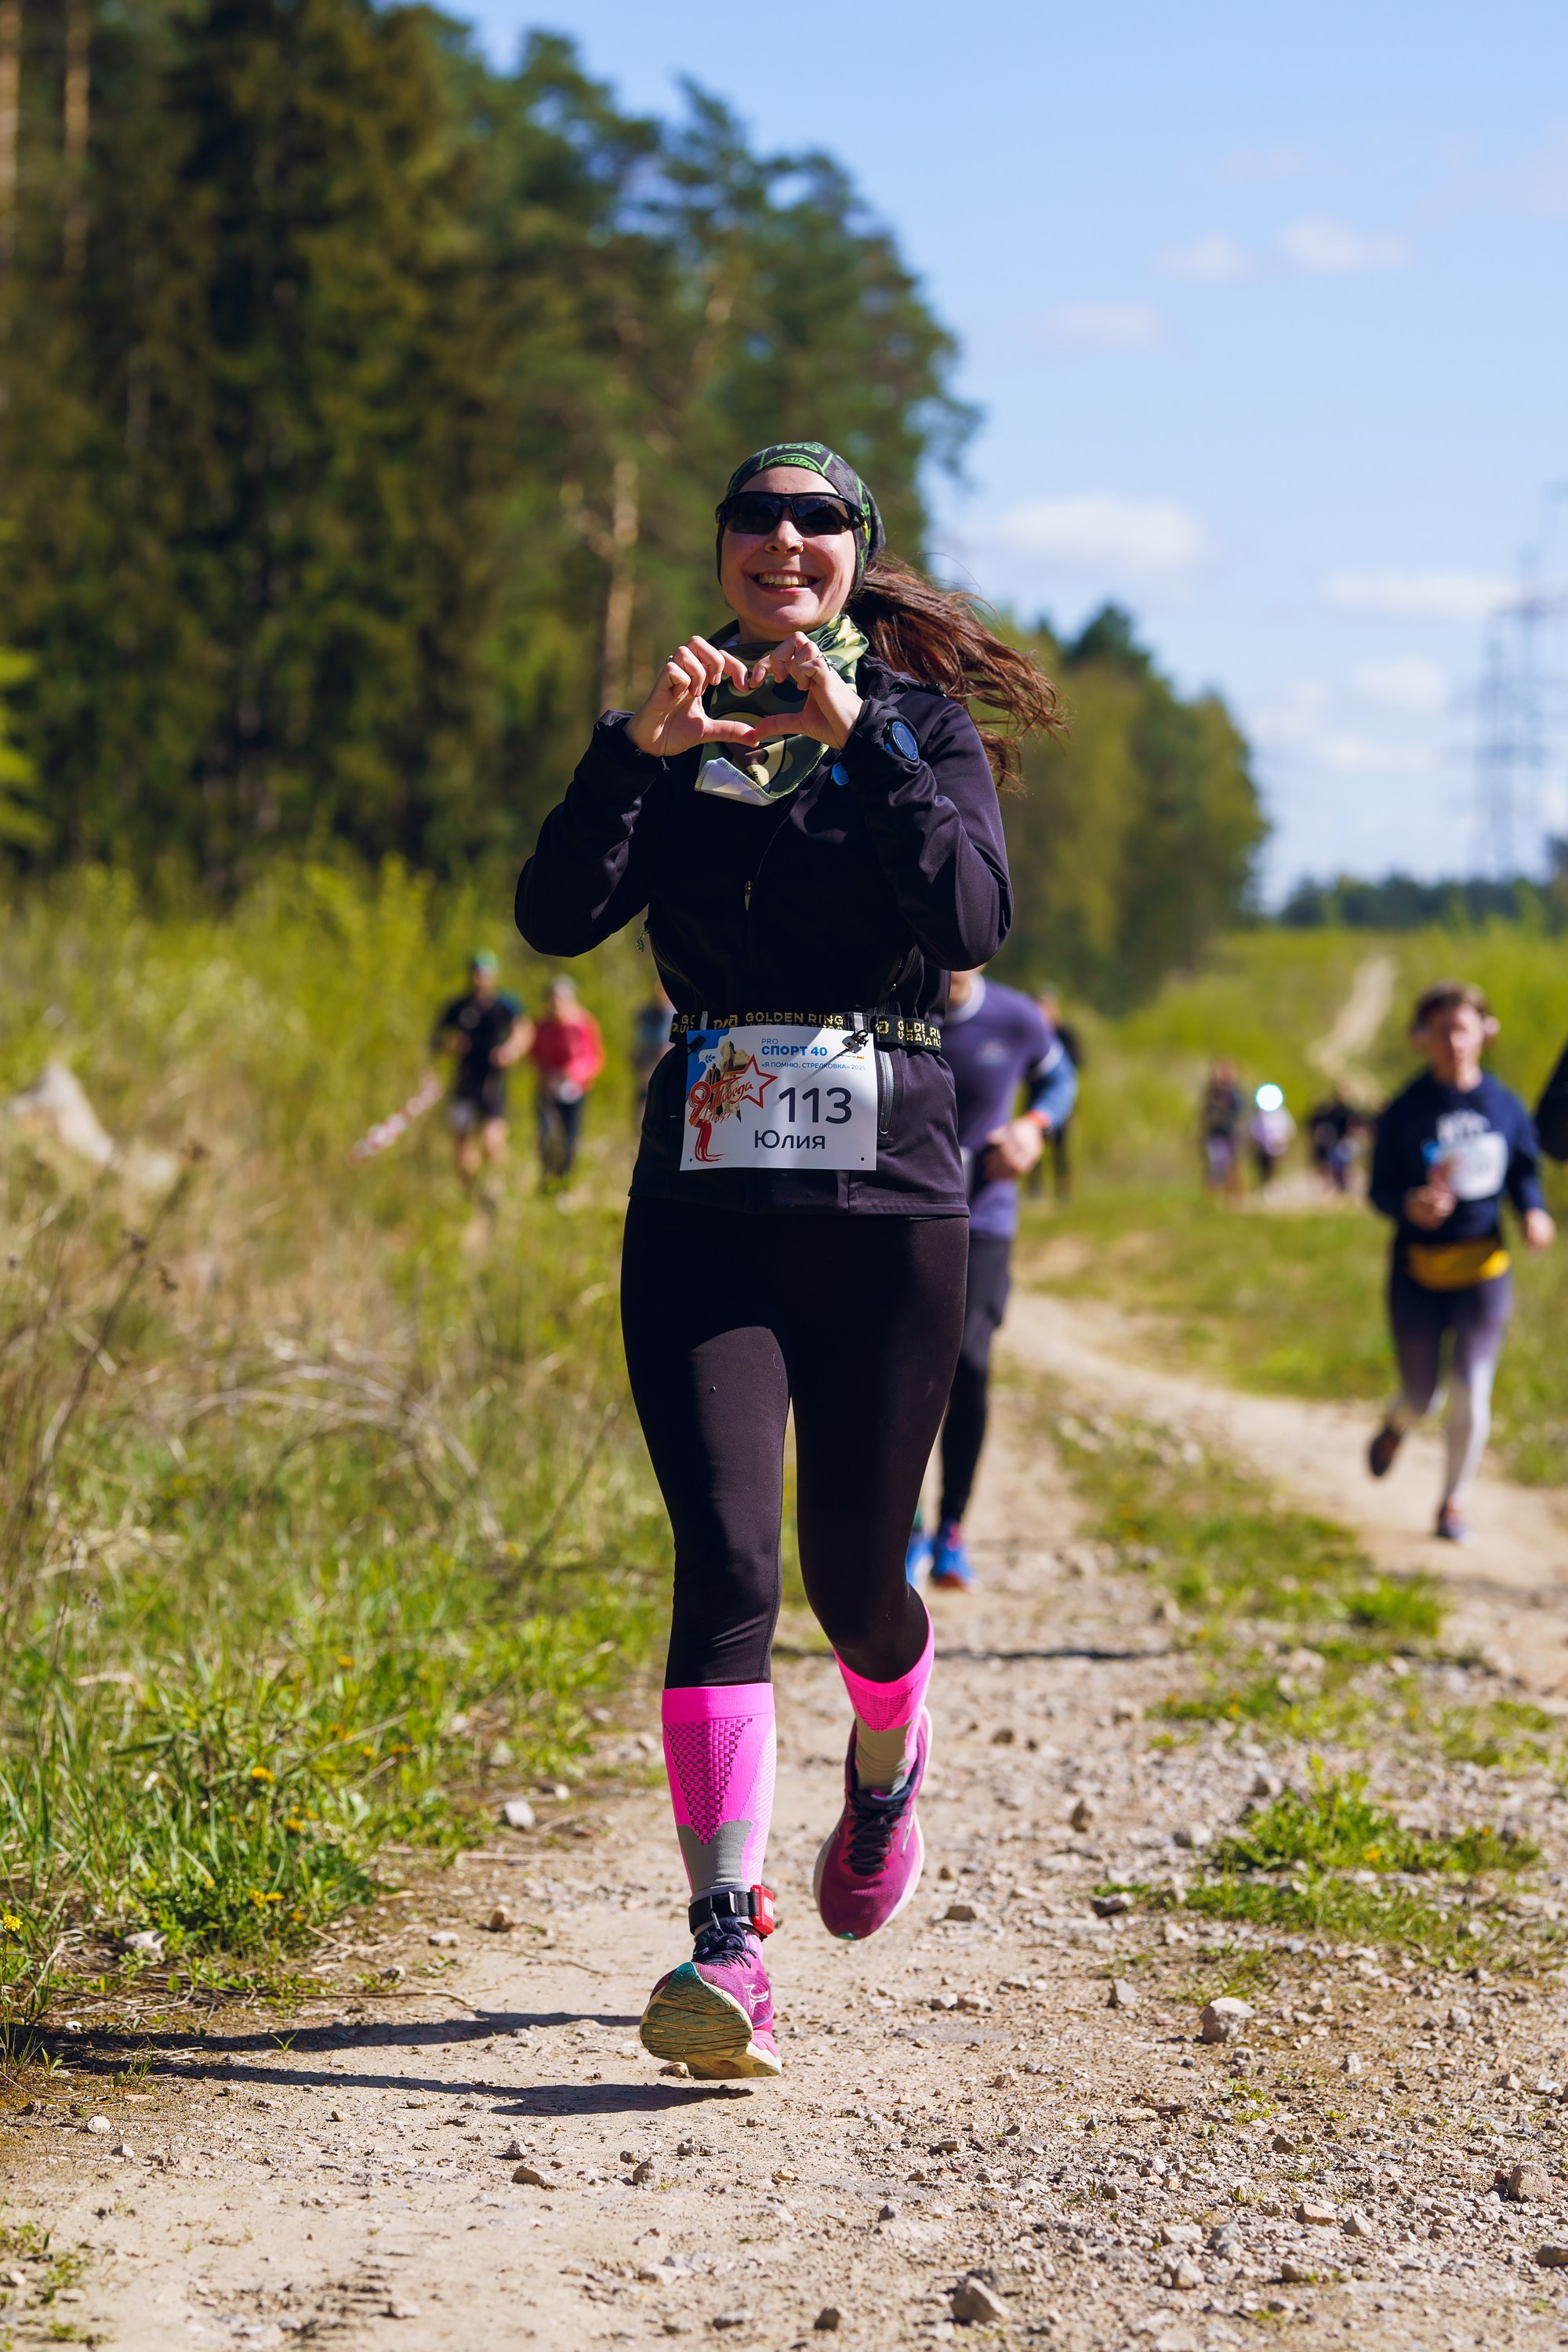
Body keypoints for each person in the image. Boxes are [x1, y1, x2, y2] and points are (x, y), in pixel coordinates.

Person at [515, 437, 1057, 2081]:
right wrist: (627, 755)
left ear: (853, 554)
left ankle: (887, 1750)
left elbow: (967, 921)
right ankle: (726, 1948)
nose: (783, 539)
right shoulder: (673, 741)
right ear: (727, 552)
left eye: (817, 519)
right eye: (756, 516)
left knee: (851, 1581)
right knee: (729, 1567)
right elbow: (556, 916)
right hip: (702, 1210)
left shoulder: (919, 731)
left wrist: (862, 737)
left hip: (890, 1214)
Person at [906, 965, 1076, 1593]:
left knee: (969, 1362)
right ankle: (905, 1528)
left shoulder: (1016, 1016)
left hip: (985, 1218)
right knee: (901, 1370)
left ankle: (952, 1530)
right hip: (897, 1215)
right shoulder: (892, 1000)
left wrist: (1034, 1128)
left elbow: (1059, 1075)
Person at [1367, 980, 1555, 1543]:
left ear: (1485, 1033)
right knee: (1423, 1397)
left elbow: (1523, 1171)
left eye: (1464, 1029)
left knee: (1474, 1385)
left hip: (1484, 1269)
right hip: (1418, 1272)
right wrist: (1409, 1204)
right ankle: (1397, 1424)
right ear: (1421, 1039)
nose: (1454, 1042)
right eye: (1442, 1031)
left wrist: (1534, 1212)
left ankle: (1453, 1503)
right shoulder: (1404, 1111)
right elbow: (1378, 1190)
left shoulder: (1505, 1105)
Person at [430, 951, 531, 1188]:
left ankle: (494, 1186)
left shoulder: (506, 1004)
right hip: (465, 1080)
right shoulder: (457, 1006)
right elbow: (437, 1038)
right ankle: (471, 1190)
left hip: (493, 1081)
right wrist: (450, 1043)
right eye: (476, 972)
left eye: (484, 973)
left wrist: (511, 1050)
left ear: (493, 975)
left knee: (492, 1141)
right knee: (462, 1144)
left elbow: (524, 1031)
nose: (480, 978)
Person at [528, 975, 605, 1183]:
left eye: (561, 999)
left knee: (569, 1141)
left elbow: (595, 1058)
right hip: (548, 1091)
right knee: (546, 1137)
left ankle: (563, 1180)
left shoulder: (583, 1025)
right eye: (553, 999)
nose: (557, 1005)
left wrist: (576, 1071)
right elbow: (533, 1054)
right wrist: (544, 1073)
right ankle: (546, 1176)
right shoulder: (543, 1025)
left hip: (574, 1091)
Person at [1024, 987, 1081, 1200]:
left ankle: (1063, 1187)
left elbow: (1078, 1062)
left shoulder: (1064, 1034)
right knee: (1032, 1140)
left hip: (1061, 1098)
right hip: (1034, 1096)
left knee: (1061, 1146)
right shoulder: (1032, 1035)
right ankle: (1034, 1188)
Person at [632, 978, 675, 1126]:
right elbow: (641, 1036)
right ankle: (640, 1126)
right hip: (649, 1059)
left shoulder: (676, 1011)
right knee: (646, 1093)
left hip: (670, 1058)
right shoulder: (647, 1013)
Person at [1200, 1059, 1244, 1200]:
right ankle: (1211, 1198)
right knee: (1213, 1166)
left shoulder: (1233, 1093)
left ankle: (1234, 1197)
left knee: (1231, 1166)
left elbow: (1239, 1110)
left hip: (1229, 1132)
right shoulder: (1212, 1092)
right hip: (1214, 1133)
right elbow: (1205, 1112)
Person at [1249, 1083, 1295, 1189]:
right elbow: (1255, 1131)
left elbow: (1290, 1129)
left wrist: (1282, 1141)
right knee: (1263, 1170)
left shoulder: (1282, 1114)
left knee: (1275, 1170)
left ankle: (1273, 1186)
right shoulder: (1259, 1115)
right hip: (1263, 1148)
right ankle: (1263, 1187)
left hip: (1278, 1148)